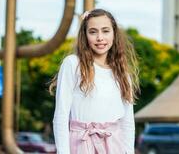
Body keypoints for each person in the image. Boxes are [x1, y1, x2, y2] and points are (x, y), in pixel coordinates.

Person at [50, 9, 140, 154]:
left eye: (105, 31)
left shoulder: (122, 74)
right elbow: (61, 115)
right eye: (93, 32)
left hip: (114, 146)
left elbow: (127, 122)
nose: (100, 37)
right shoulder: (73, 64)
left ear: (114, 34)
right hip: (81, 145)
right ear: (85, 35)